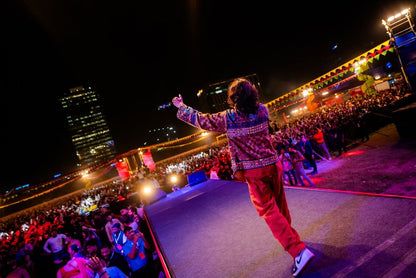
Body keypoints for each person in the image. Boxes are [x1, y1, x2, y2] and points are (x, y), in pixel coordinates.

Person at [172, 78, 315, 277]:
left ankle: (298, 250)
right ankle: (293, 239)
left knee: (268, 211)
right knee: (280, 206)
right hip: (273, 165)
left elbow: (202, 120)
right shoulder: (263, 110)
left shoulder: (228, 118)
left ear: (233, 98)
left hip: (254, 172)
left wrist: (181, 106)